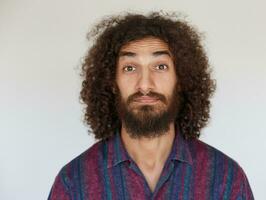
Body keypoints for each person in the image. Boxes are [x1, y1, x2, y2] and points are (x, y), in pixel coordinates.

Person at [48, 11, 254, 200]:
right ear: (112, 82)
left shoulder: (225, 178)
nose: (145, 84)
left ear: (181, 79)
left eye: (160, 67)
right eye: (130, 68)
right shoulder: (74, 183)